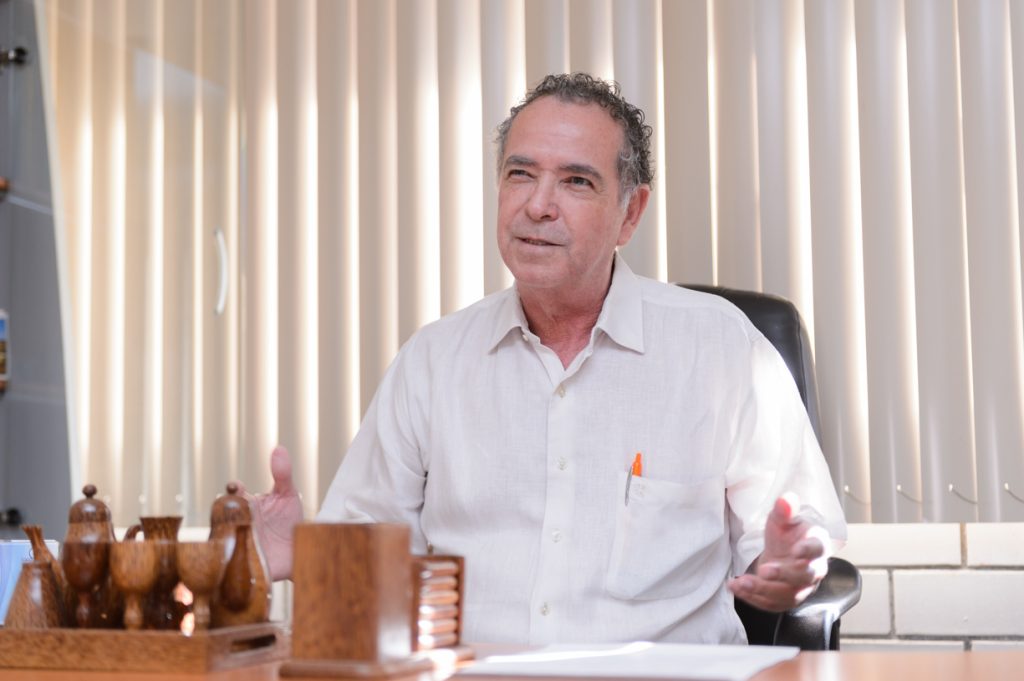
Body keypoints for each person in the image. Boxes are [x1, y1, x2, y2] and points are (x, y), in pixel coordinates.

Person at [247, 73, 846, 645]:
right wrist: (306, 556)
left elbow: (794, 538)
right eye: (520, 174)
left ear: (630, 213)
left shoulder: (721, 350)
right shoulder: (432, 361)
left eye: (576, 181)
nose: (537, 205)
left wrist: (792, 565)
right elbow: (365, 553)